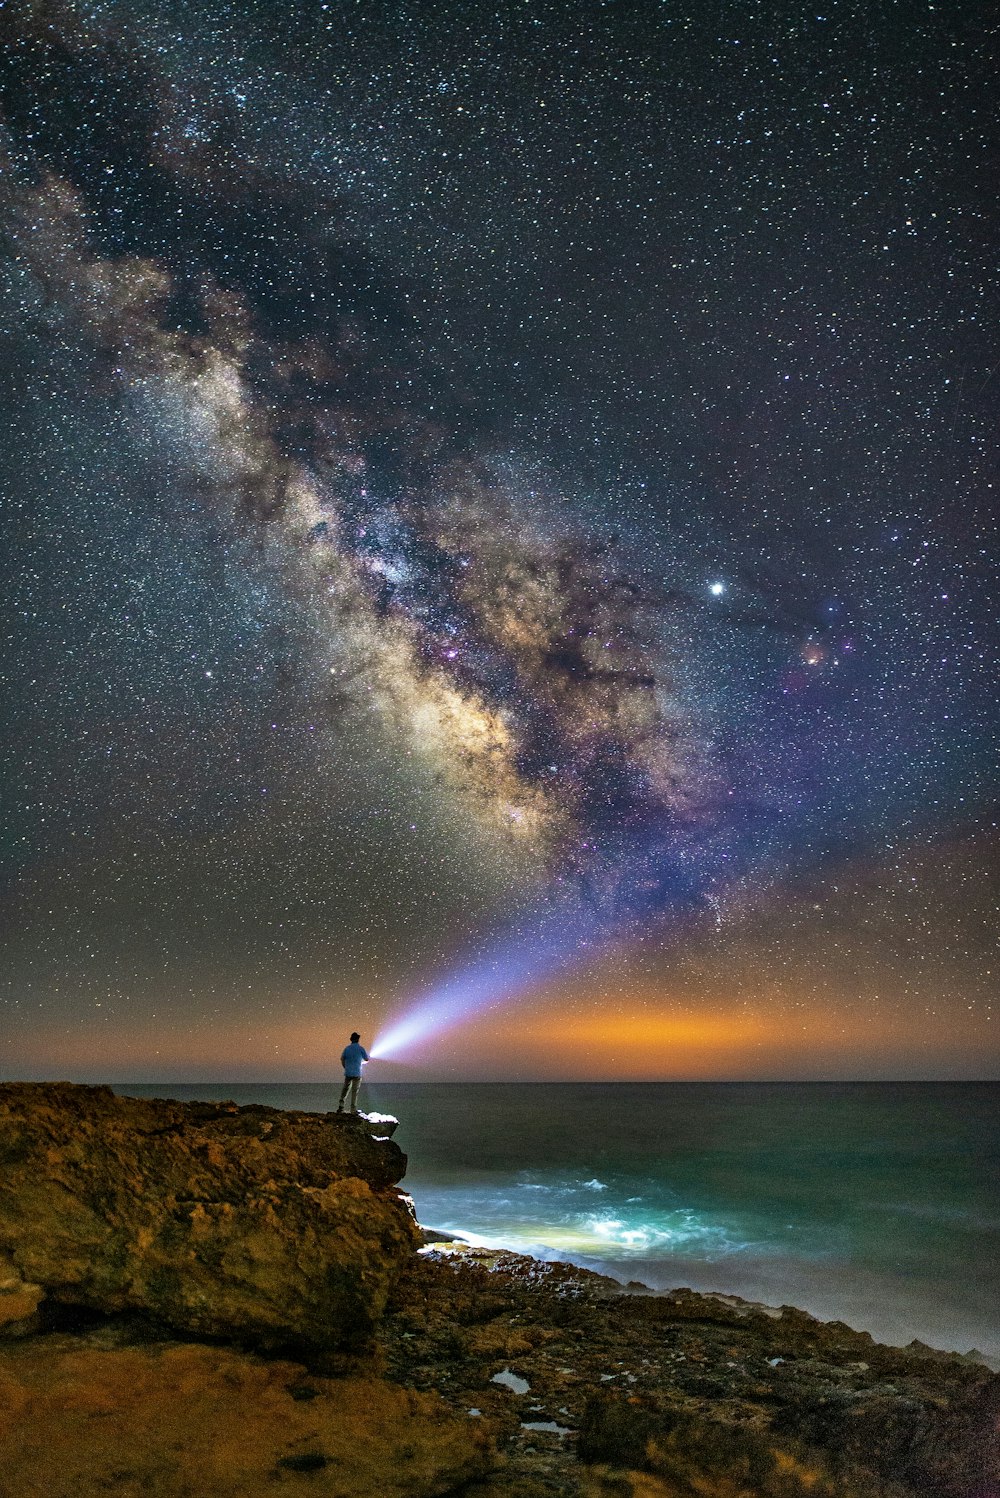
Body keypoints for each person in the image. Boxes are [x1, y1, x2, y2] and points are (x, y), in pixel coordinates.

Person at [336, 1031, 369, 1115]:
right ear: (358, 1040)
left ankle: (341, 1107)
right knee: (355, 1091)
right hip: (357, 1073)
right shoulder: (361, 1048)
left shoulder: (347, 1049)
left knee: (345, 1089)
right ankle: (353, 1110)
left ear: (351, 1039)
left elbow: (342, 1059)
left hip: (348, 1072)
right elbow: (366, 1059)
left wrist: (345, 1067)